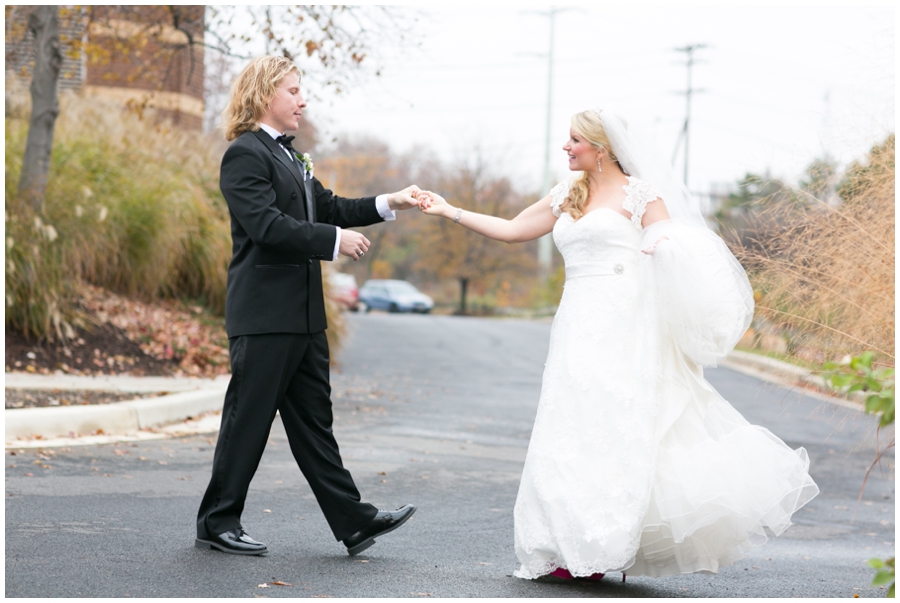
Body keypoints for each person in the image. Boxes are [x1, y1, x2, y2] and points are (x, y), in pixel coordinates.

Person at [416, 108, 819, 580]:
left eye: (573, 140)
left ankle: (602, 546)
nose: (565, 147)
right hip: (576, 324)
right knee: (569, 426)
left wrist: (661, 244)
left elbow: (674, 237)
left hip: (626, 325)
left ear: (601, 148)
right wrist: (449, 211)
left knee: (613, 426)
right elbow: (512, 230)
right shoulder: (568, 192)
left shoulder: (639, 193)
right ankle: (566, 548)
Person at [196, 56, 418, 557]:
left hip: (304, 320)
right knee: (247, 420)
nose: (303, 99)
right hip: (264, 318)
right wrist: (334, 241)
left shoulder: (292, 159)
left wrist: (390, 202)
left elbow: (332, 207)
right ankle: (217, 521)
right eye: (293, 90)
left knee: (315, 423)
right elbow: (267, 227)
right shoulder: (245, 155)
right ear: (263, 95)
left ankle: (353, 521)